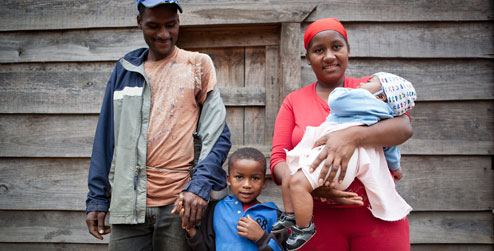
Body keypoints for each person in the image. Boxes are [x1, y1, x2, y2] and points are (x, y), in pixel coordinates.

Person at [85, 0, 232, 250]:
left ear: (178, 23)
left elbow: (219, 135)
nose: (164, 35)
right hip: (129, 203)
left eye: (170, 25)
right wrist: (97, 198)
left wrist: (198, 187)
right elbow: (105, 137)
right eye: (154, 26)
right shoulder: (124, 70)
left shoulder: (197, 65)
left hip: (179, 204)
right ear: (140, 22)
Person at [270, 18, 414, 251]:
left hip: (377, 213)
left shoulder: (369, 90)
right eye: (319, 50)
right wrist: (308, 183)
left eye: (336, 47)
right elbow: (277, 159)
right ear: (308, 59)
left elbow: (404, 128)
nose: (329, 56)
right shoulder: (294, 101)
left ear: (348, 50)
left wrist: (351, 137)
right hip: (317, 219)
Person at [176, 147, 288, 251]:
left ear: (264, 182)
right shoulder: (216, 209)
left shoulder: (274, 214)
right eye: (239, 177)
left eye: (255, 178)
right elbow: (207, 247)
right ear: (228, 180)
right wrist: (191, 230)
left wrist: (261, 237)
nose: (247, 185)